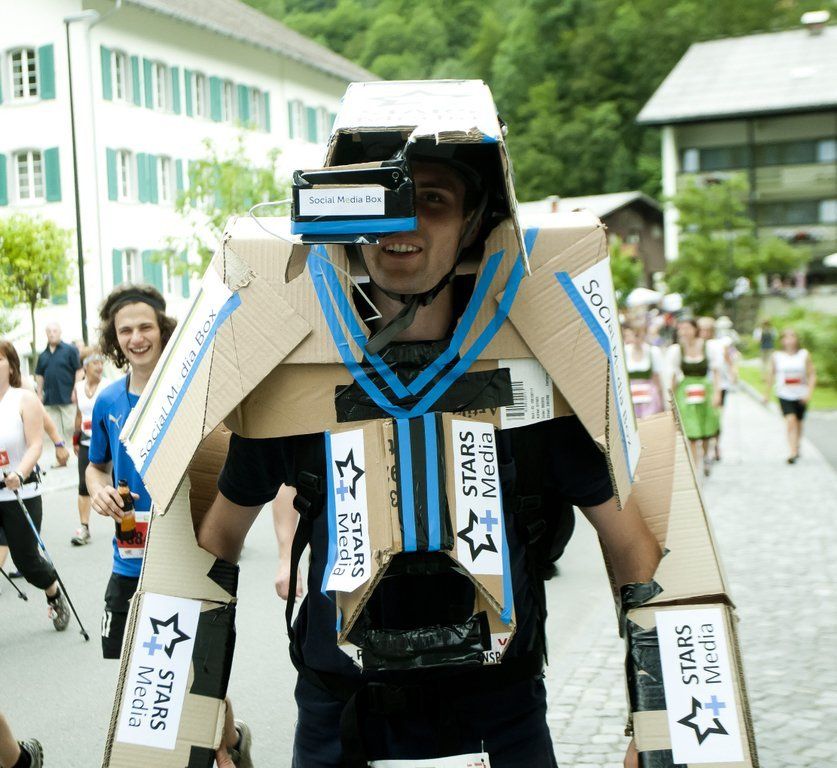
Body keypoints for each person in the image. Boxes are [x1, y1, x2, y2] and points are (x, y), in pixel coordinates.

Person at [196, 136, 661, 767]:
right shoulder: (295, 386)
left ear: (472, 225)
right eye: (382, 199)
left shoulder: (536, 388)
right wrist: (204, 707)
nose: (403, 221)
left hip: (502, 719)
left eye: (433, 199)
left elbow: (632, 546)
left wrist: (653, 717)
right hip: (340, 719)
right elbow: (216, 542)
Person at [85, 286, 252, 766]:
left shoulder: (193, 392)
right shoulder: (107, 400)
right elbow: (95, 466)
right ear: (115, 339)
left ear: (162, 330)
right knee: (144, 673)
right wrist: (98, 489)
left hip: (187, 553)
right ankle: (223, 740)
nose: (136, 338)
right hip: (129, 559)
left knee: (197, 671)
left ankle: (225, 744)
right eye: (125, 330)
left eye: (145, 327)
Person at [0, 339, 70, 630]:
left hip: (20, 492)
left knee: (26, 562)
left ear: (11, 366)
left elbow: (35, 445)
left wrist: (20, 472)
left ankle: (52, 590)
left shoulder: (23, 399)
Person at [666, 318, 721, 476]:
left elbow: (716, 372)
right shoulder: (677, 350)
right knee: (690, 430)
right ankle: (694, 468)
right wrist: (671, 397)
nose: (684, 332)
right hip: (686, 391)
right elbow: (673, 376)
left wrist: (717, 393)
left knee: (705, 427)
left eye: (687, 328)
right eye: (681, 329)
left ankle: (705, 456)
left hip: (704, 389)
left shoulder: (707, 347)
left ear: (695, 329)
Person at [70, 349, 107, 546]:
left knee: (117, 482)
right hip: (86, 442)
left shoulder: (107, 386)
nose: (100, 367)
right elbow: (79, 414)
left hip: (106, 443)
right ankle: (84, 528)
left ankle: (125, 526)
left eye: (101, 362)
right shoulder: (78, 387)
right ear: (85, 366)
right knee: (83, 484)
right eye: (95, 363)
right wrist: (75, 438)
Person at [765, 328, 816, 464]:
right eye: (786, 337)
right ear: (781, 340)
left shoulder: (804, 355)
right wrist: (766, 393)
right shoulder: (777, 356)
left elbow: (811, 374)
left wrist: (809, 393)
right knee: (790, 421)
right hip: (784, 394)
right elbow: (771, 375)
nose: (789, 340)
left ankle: (797, 445)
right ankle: (792, 451)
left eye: (792, 337)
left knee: (799, 422)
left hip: (801, 394)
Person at [34, 323, 81, 467]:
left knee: (71, 428)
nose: (52, 333)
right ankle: (61, 459)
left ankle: (79, 455)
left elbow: (79, 371)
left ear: (60, 332)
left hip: (67, 397)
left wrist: (75, 389)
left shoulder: (70, 350)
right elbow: (39, 375)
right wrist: (39, 393)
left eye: (54, 331)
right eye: (49, 331)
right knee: (55, 431)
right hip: (50, 399)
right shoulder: (43, 355)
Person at [698, 316, 737, 462]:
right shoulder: (696, 345)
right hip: (702, 385)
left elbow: (729, 361)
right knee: (702, 416)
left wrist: (733, 374)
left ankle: (716, 445)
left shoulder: (720, 344)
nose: (705, 333)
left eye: (708, 330)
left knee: (716, 416)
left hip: (720, 385)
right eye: (702, 330)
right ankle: (704, 446)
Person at [623, 324, 664, 419]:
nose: (638, 339)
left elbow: (656, 377)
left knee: (649, 420)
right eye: (635, 335)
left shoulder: (652, 351)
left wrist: (661, 399)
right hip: (631, 395)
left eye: (640, 335)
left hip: (649, 396)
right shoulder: (624, 351)